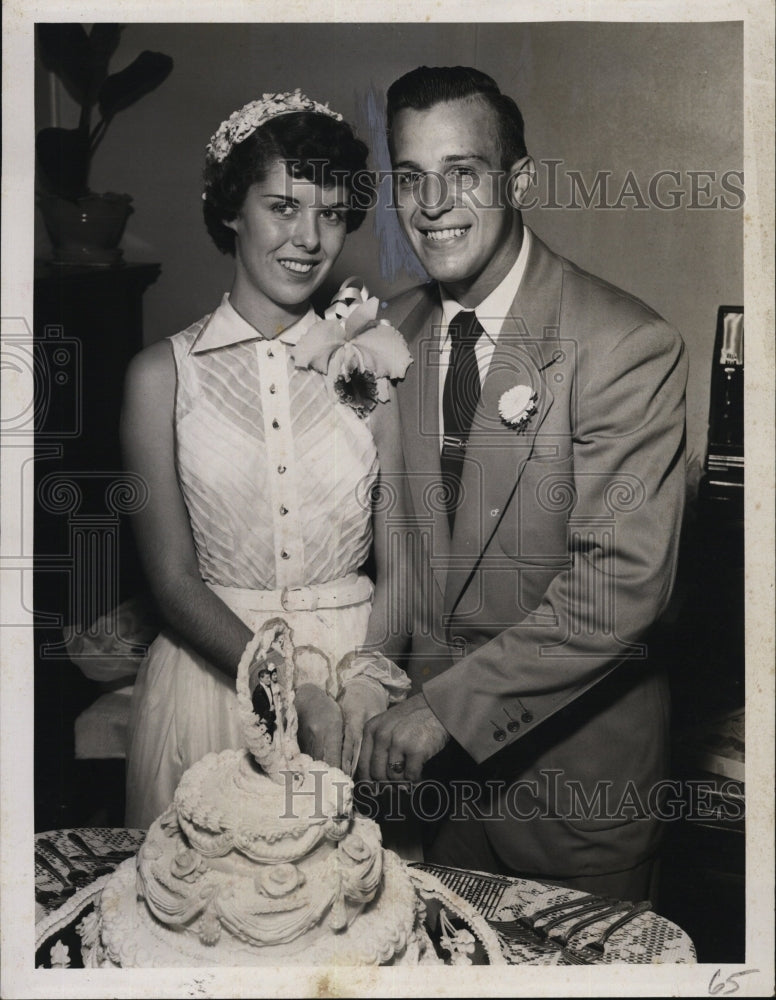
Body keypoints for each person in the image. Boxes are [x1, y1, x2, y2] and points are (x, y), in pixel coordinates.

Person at [358, 66, 688, 899]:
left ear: (520, 181)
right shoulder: (390, 333)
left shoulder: (624, 344)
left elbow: (619, 586)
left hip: (572, 803)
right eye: (411, 177)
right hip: (432, 802)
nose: (433, 204)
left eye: (462, 171)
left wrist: (445, 709)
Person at [122, 90, 410, 829]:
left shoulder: (372, 367)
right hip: (214, 681)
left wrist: (366, 682)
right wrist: (286, 691)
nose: (308, 238)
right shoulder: (161, 377)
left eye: (331, 214)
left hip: (353, 687)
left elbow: (404, 559)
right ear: (231, 210)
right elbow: (172, 582)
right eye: (283, 207)